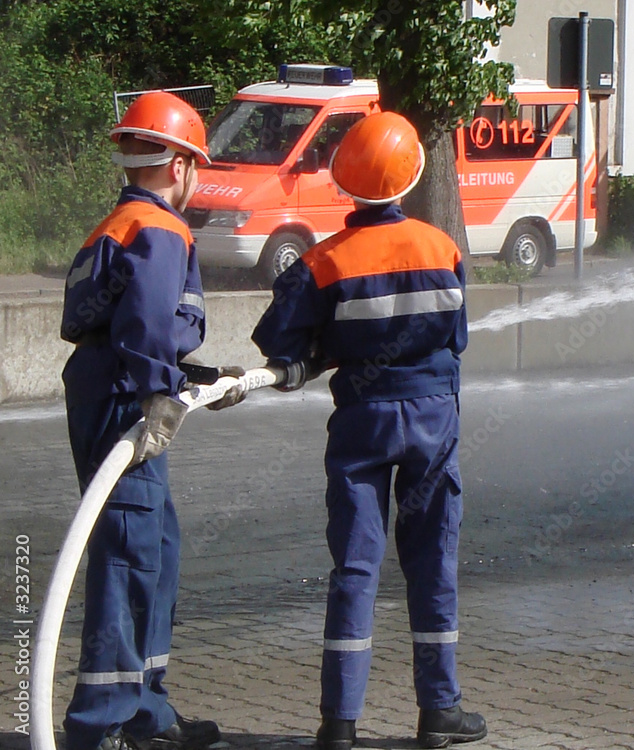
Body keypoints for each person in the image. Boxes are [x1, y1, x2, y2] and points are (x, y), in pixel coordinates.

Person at [249, 111, 486, 750]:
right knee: (433, 562)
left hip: (362, 422)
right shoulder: (443, 249)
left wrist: (325, 346)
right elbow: (456, 338)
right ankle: (439, 712)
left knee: (355, 567)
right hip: (433, 418)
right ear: (410, 178)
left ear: (346, 182)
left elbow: (277, 340)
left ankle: (339, 723)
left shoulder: (323, 261)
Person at [60, 91, 221, 750]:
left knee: (155, 545)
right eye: (195, 165)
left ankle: (145, 709)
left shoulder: (118, 223)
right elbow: (148, 322)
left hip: (111, 385)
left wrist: (189, 378)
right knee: (128, 551)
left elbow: (122, 320)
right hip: (126, 396)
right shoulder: (161, 228)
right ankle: (101, 723)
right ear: (179, 164)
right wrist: (160, 391)